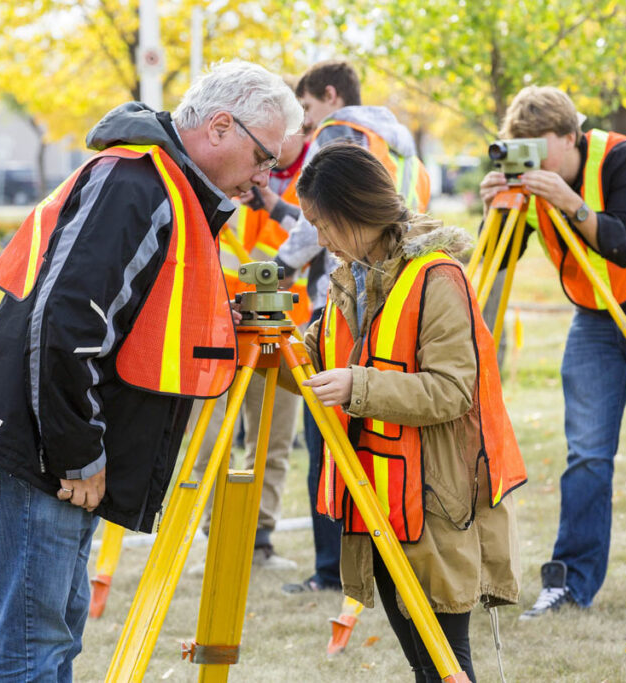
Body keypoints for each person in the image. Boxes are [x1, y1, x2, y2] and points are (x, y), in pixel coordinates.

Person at [0, 60, 303, 681]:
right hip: (43, 450)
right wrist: (78, 453)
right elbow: (63, 325)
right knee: (36, 647)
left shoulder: (167, 188)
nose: (266, 178)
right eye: (266, 157)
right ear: (220, 127)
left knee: (55, 633)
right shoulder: (136, 184)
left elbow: (133, 316)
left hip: (57, 446)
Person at [286, 142, 525, 682]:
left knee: (443, 661)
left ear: (356, 210)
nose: (318, 239)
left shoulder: (438, 278)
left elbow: (451, 390)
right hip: (381, 497)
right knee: (422, 661)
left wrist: (357, 385)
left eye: (323, 223)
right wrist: (263, 345)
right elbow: (319, 363)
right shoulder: (354, 276)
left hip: (436, 501)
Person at [478, 85, 626, 617]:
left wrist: (569, 201)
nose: (533, 161)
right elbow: (501, 253)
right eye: (521, 149)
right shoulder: (531, 182)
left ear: (569, 136)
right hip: (594, 316)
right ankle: (570, 583)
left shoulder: (624, 159)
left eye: (540, 149)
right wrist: (496, 207)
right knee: (585, 454)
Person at [277, 59, 432, 594]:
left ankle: (331, 569)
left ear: (329, 96)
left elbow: (314, 218)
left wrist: (278, 268)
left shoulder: (339, 135)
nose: (304, 126)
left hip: (352, 288)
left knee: (329, 432)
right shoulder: (398, 138)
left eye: (306, 110)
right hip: (394, 282)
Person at [188, 125, 311, 571]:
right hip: (215, 331)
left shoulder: (298, 192)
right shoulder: (212, 186)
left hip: (276, 330)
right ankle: (217, 538)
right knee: (209, 443)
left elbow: (318, 234)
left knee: (271, 441)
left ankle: (259, 542)